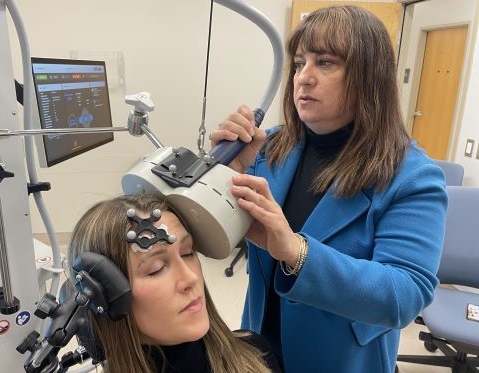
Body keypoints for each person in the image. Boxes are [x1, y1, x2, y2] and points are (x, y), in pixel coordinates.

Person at [209, 5, 448, 373]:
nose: (303, 78)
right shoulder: (271, 146)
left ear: (370, 76)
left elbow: (405, 294)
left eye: (325, 63)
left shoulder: (413, 177)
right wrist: (227, 170)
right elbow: (216, 233)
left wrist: (296, 252)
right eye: (300, 63)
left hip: (342, 361)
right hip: (260, 348)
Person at [66, 193, 282, 373]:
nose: (191, 278)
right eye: (156, 269)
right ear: (106, 295)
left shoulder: (257, 357)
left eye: (188, 253)